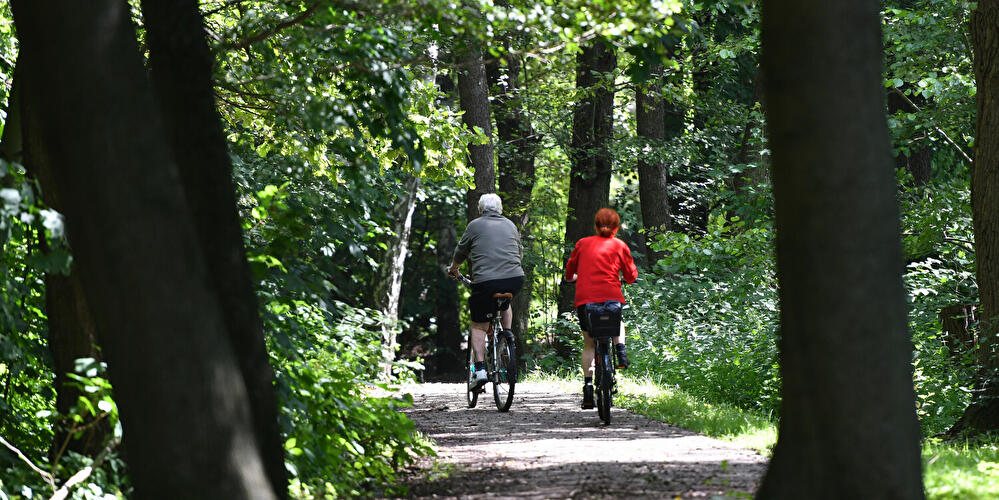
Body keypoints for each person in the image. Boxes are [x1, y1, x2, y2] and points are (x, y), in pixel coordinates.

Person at [448, 193, 525, 391]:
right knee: (505, 302)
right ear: (500, 209)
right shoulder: (510, 225)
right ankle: (506, 341)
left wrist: (454, 268)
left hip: (486, 282)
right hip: (515, 278)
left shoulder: (475, 225)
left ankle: (480, 369)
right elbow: (519, 252)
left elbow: (461, 252)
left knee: (479, 326)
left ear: (481, 209)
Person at [564, 208, 638, 409]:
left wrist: (572, 279)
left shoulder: (582, 244)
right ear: (616, 227)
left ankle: (588, 386)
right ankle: (620, 351)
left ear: (596, 225)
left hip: (585, 301)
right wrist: (624, 279)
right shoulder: (620, 245)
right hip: (612, 298)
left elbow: (569, 272)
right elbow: (631, 276)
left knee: (589, 343)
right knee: (617, 322)